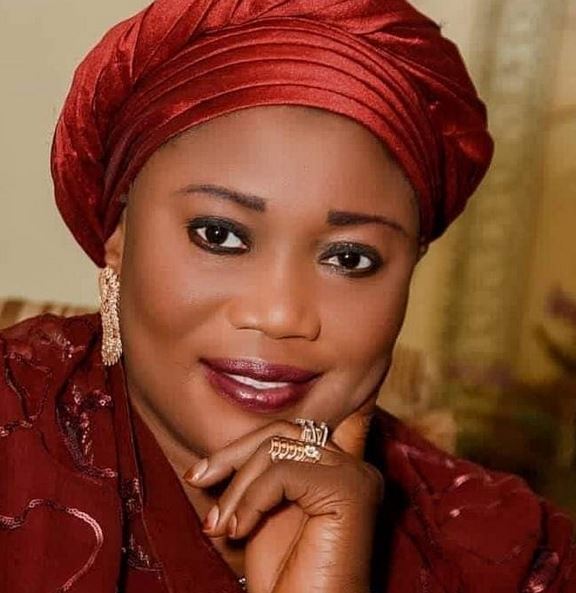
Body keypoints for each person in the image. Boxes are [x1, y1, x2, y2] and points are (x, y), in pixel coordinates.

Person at [1, 0, 574, 591]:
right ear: (119, 234)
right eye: (219, 235)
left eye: (349, 259)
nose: (280, 315)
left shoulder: (515, 558)